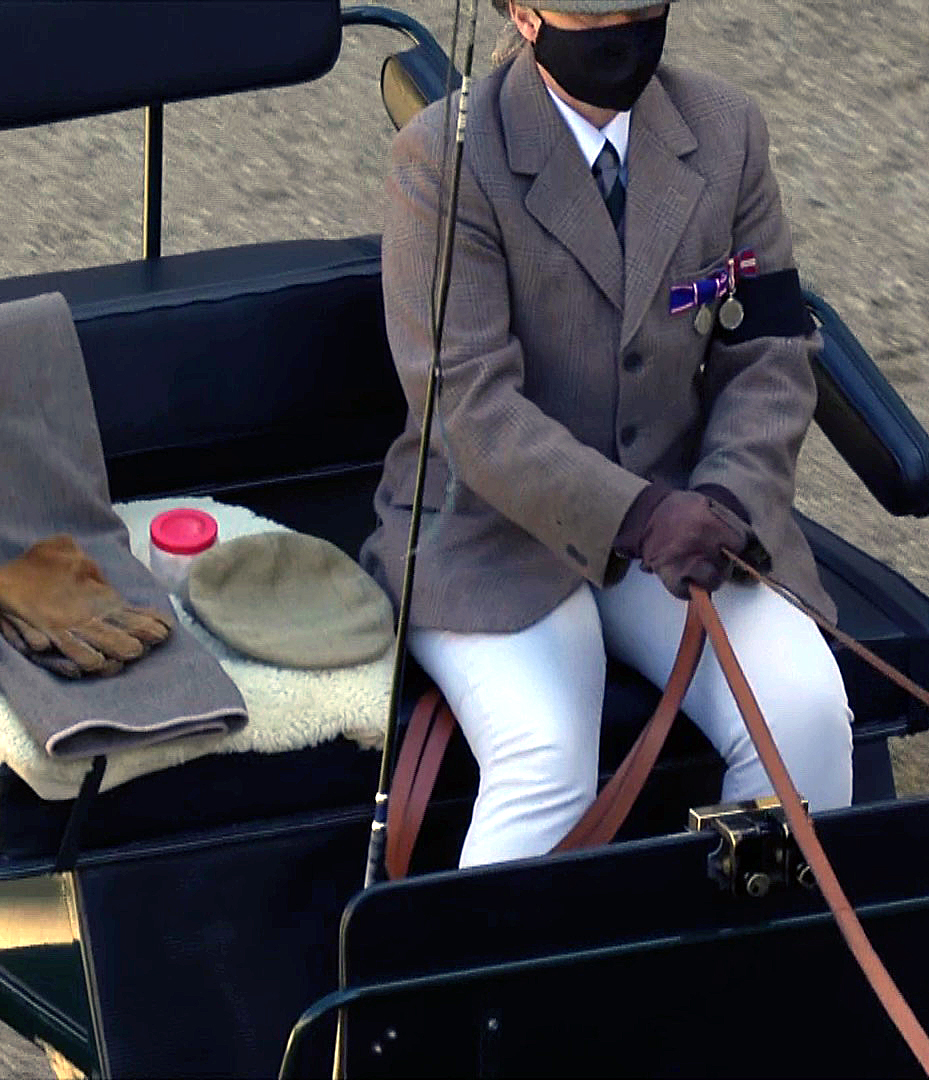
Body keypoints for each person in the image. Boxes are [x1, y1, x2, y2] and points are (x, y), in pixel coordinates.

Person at [359, 0, 854, 868]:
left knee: (805, 711)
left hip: (690, 512)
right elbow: (469, 403)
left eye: (644, 8)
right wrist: (637, 514)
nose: (623, 33)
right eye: (595, 13)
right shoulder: (443, 160)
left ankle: (771, 979)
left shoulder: (726, 129)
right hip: (488, 529)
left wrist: (728, 496)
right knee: (546, 758)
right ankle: (479, 996)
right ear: (521, 12)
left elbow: (771, 351)